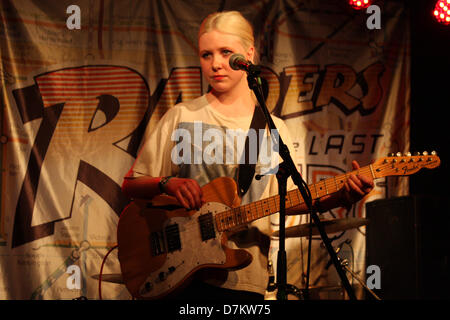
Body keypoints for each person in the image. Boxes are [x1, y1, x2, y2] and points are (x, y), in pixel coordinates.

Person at [121, 10, 374, 300]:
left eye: (226, 52)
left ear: (249, 53)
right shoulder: (182, 116)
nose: (216, 64)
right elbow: (131, 184)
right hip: (177, 273)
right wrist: (167, 184)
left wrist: (344, 196)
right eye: (206, 55)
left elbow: (288, 200)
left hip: (243, 280)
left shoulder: (270, 128)